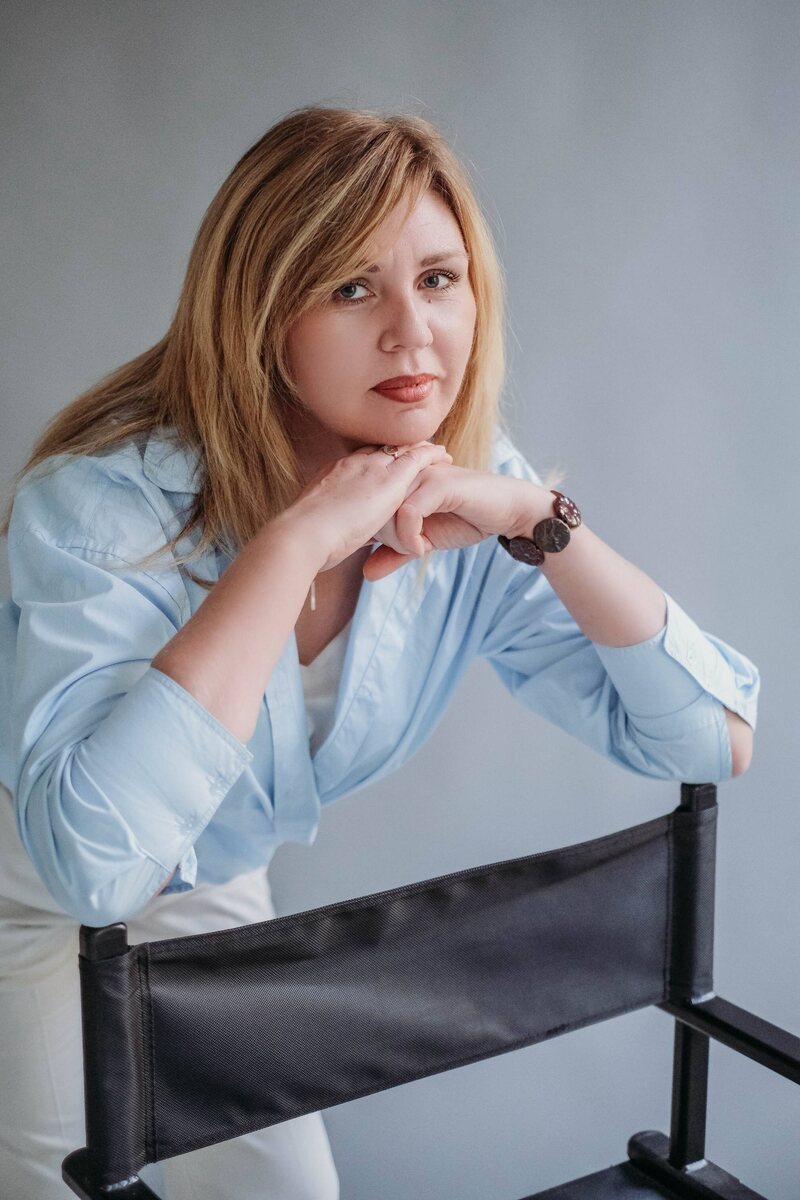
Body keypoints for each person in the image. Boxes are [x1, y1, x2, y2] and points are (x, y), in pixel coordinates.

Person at [0, 104, 760, 1199]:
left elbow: (711, 738)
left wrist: (543, 522)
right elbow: (93, 865)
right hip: (32, 890)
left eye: (438, 279)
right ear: (262, 315)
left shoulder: (470, 496)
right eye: (351, 288)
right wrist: (293, 544)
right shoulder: (102, 505)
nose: (412, 334)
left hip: (201, 876)